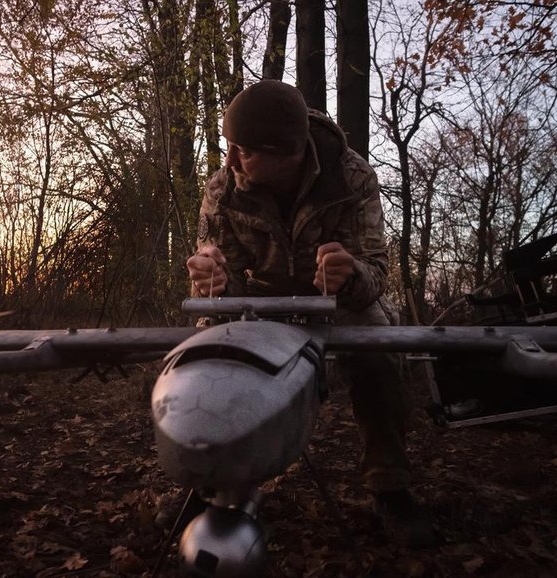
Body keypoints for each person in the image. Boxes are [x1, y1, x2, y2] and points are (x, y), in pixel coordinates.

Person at [185, 79, 436, 548]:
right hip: (258, 300)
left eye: (245, 150)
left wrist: (351, 273)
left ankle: (391, 488)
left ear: (288, 152)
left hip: (338, 302)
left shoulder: (352, 178)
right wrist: (211, 278)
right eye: (229, 147)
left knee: (380, 351)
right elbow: (218, 264)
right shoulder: (224, 187)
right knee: (208, 350)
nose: (232, 160)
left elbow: (377, 271)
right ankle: (212, 483)